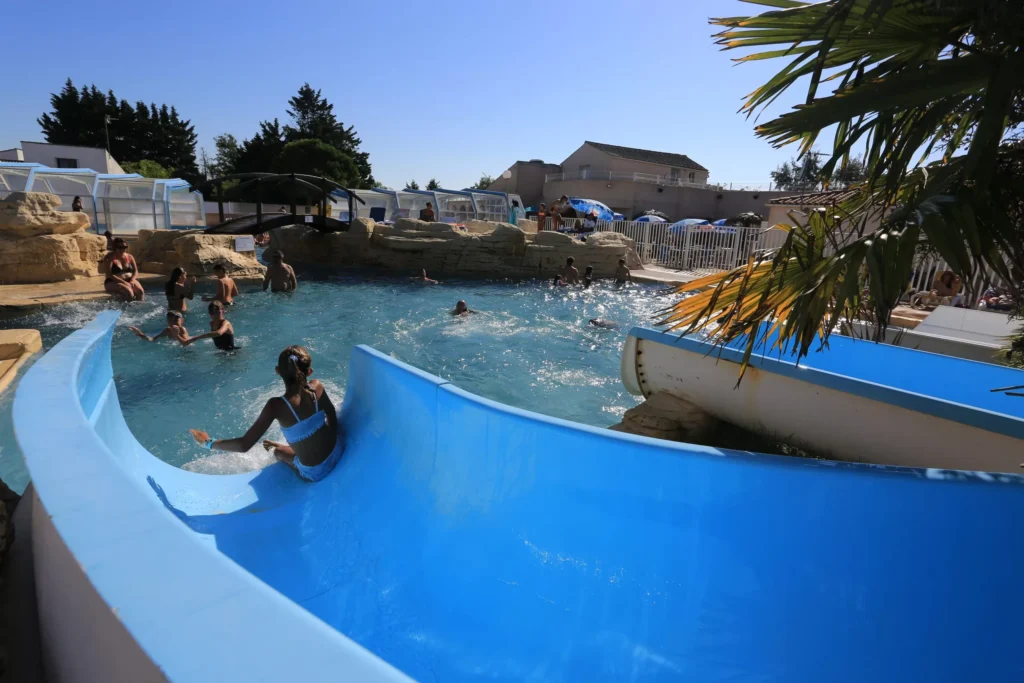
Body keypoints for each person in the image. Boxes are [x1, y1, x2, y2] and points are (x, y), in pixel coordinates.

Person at [189, 346, 345, 483]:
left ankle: (280, 449)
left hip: (316, 472)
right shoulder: (317, 387)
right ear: (309, 371)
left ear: (278, 372)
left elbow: (244, 445)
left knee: (278, 452)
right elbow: (331, 416)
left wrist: (208, 442)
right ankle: (290, 447)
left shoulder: (276, 406)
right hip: (338, 451)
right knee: (303, 440)